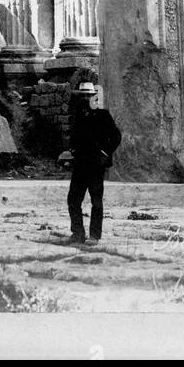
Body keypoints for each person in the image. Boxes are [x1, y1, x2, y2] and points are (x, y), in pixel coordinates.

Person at [66, 82, 121, 245]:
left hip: (96, 165)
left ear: (94, 97)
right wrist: (73, 151)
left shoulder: (103, 115)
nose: (85, 98)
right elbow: (75, 138)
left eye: (88, 95)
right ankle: (77, 233)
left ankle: (95, 236)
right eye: (82, 95)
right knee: (73, 200)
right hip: (80, 165)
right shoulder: (78, 115)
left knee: (96, 201)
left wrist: (105, 153)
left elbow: (116, 137)